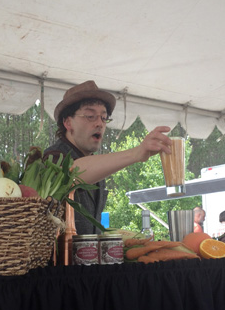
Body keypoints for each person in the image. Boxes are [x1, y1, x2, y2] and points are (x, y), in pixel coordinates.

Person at [44, 80, 173, 234]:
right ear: (68, 122)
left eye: (104, 118)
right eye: (90, 116)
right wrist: (137, 152)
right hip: (59, 258)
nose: (100, 123)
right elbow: (73, 172)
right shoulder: (53, 157)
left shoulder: (98, 164)